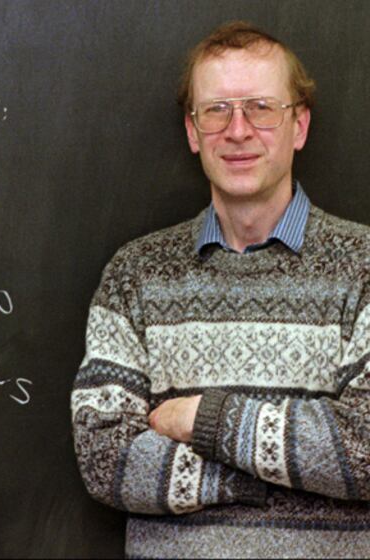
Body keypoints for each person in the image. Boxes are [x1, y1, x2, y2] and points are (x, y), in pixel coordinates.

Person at [71, 21, 370, 558]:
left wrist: (202, 420)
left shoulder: (364, 266)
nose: (237, 130)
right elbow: (105, 459)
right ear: (193, 131)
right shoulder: (136, 275)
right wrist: (271, 478)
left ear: (299, 125)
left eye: (261, 108)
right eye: (216, 110)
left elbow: (366, 448)